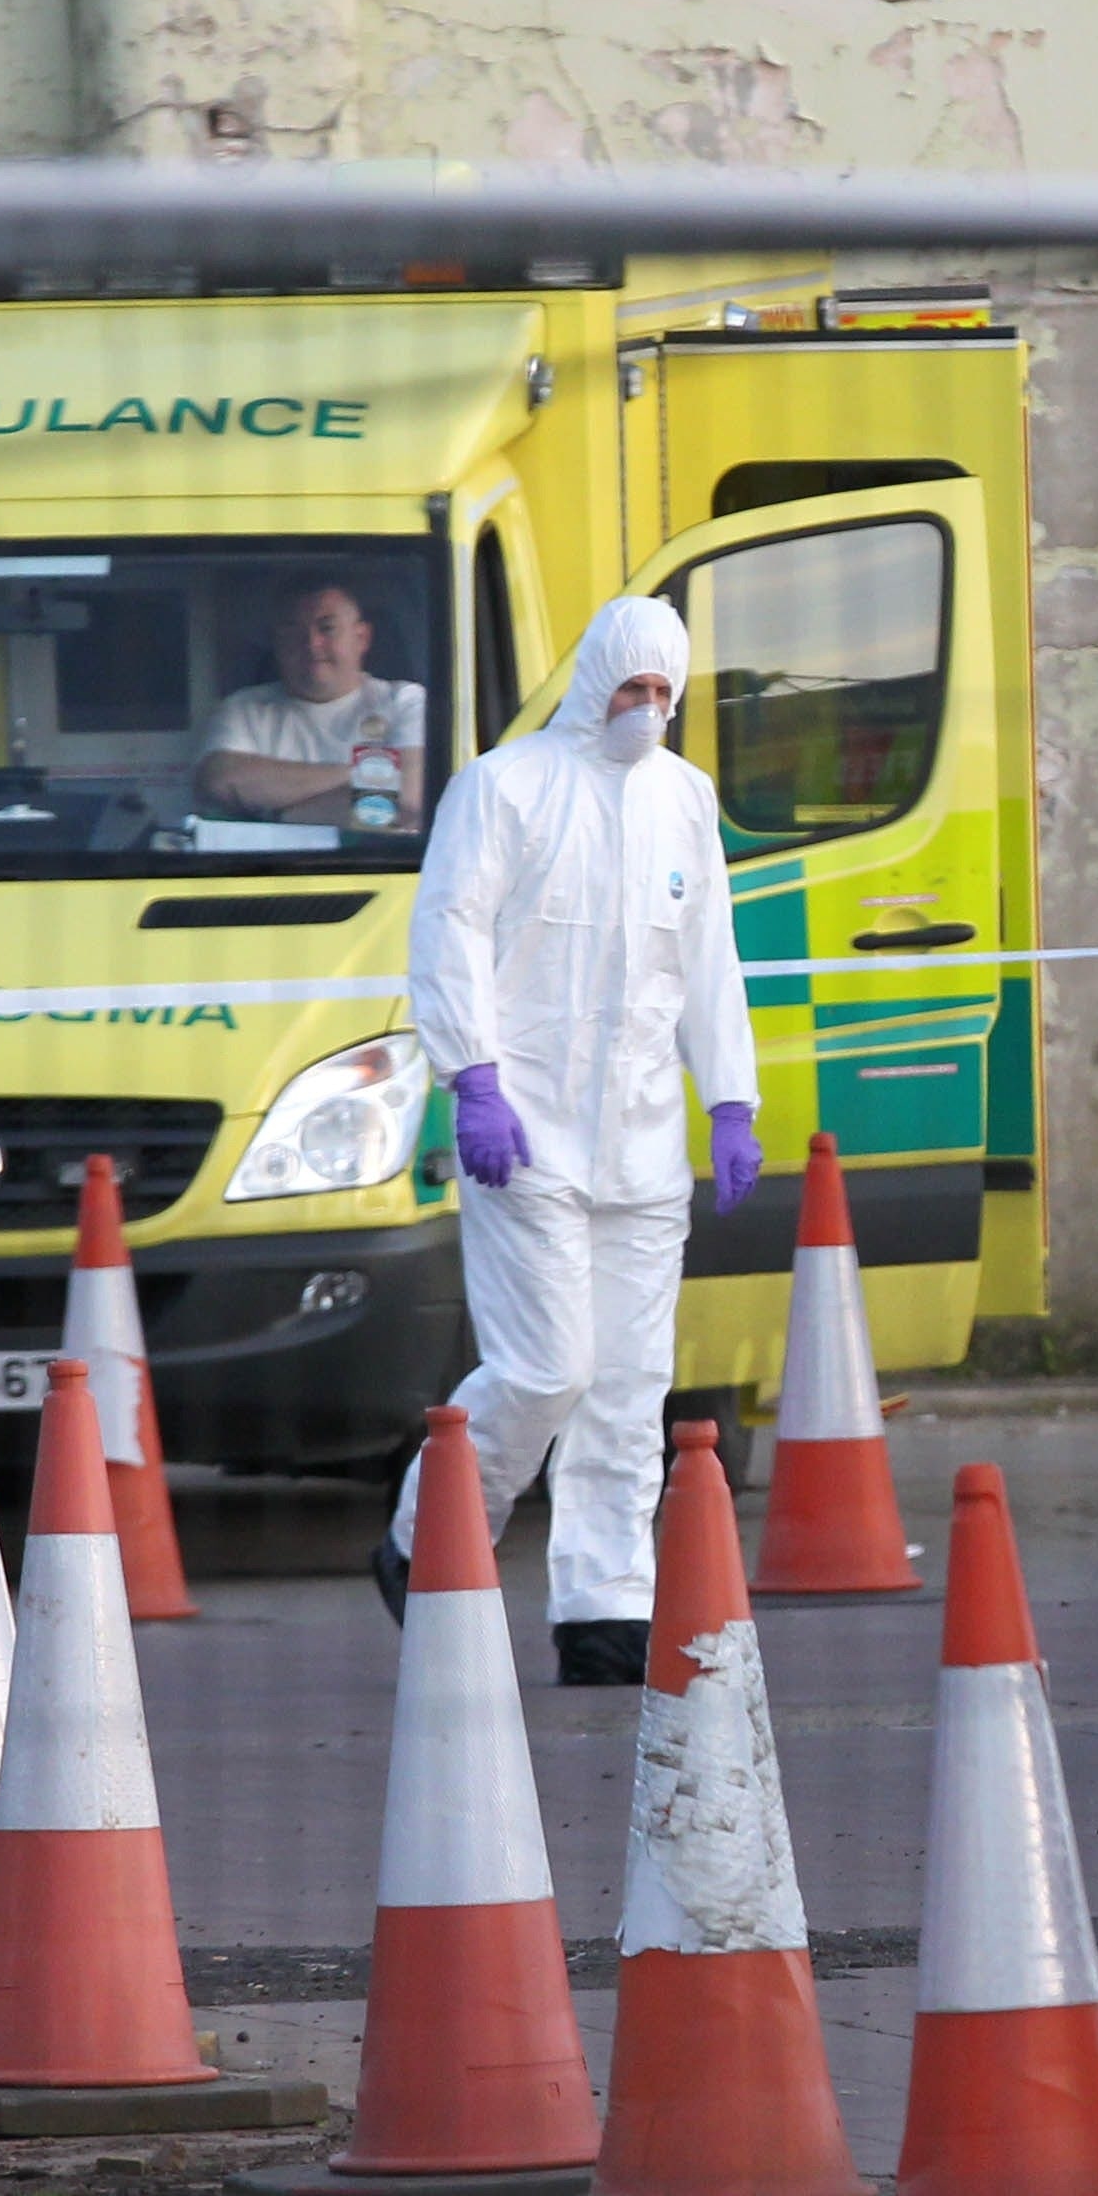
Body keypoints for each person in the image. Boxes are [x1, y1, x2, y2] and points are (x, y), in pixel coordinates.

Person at [376, 591, 762, 1686]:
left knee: (632, 1383)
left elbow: (707, 959)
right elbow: (447, 930)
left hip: (641, 1141)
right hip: (527, 1134)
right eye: (633, 690)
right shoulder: (505, 789)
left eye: (665, 695)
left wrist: (729, 1100)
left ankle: (604, 1605)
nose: (648, 711)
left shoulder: (685, 798)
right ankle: (425, 1540)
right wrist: (473, 1080)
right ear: (593, 684)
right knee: (549, 1367)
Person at [196, 578, 427, 832]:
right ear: (276, 642)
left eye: (326, 628)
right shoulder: (242, 709)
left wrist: (280, 818)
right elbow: (221, 782)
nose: (311, 644)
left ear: (362, 637)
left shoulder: (405, 701)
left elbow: (411, 799)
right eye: (292, 631)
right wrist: (365, 774)